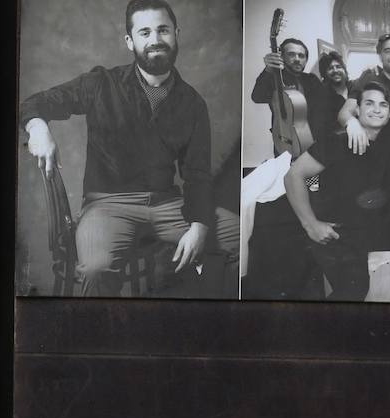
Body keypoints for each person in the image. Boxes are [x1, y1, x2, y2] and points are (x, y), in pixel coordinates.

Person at [20, 0, 239, 296]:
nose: (155, 40)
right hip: (107, 206)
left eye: (163, 30)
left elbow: (197, 175)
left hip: (168, 206)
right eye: (145, 32)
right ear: (130, 41)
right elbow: (36, 102)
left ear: (177, 33)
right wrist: (37, 127)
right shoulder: (101, 84)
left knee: (242, 236)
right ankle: (93, 340)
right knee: (96, 269)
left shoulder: (192, 103)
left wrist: (199, 226)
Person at [282, 83, 390, 301]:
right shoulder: (337, 141)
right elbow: (293, 176)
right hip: (337, 232)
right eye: (369, 103)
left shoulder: (387, 142)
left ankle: (382, 292)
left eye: (383, 105)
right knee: (355, 287)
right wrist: (311, 224)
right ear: (357, 110)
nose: (376, 109)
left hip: (369, 228)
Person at [339, 35, 390, 155]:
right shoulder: (369, 78)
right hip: (367, 150)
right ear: (380, 56)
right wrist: (352, 124)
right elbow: (344, 113)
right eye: (387, 51)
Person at [249, 37, 326, 154]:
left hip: (311, 142)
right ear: (282, 57)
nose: (297, 59)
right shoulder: (273, 78)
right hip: (283, 139)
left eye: (301, 56)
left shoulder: (312, 80)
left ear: (306, 59)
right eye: (291, 54)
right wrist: (268, 70)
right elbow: (257, 97)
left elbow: (324, 110)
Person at [316, 50, 351, 131]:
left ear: (344, 69)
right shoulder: (322, 95)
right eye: (330, 68)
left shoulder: (353, 87)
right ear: (324, 73)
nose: (335, 70)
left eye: (338, 67)